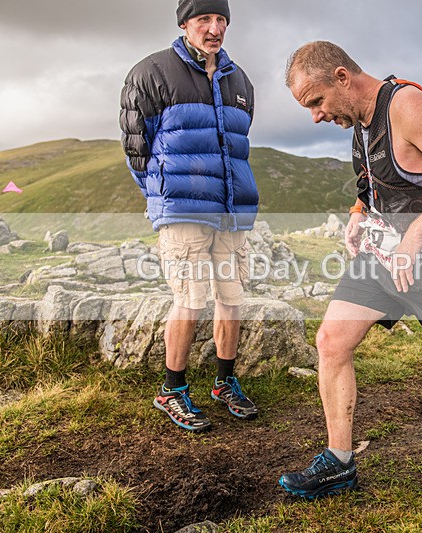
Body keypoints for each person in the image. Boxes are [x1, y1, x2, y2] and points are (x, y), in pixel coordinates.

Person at [279, 41, 422, 498]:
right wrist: (359, 211)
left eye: (316, 102)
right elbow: (384, 178)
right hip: (381, 256)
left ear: (342, 77)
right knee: (331, 341)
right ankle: (339, 461)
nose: (316, 116)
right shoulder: (358, 121)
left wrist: (416, 236)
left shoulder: (408, 106)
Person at [119, 0, 259, 432]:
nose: (214, 28)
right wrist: (163, 197)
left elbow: (237, 142)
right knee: (191, 298)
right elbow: (135, 147)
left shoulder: (241, 81)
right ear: (185, 24)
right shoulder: (151, 73)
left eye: (221, 20)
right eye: (205, 20)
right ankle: (172, 390)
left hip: (231, 210)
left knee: (232, 298)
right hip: (182, 209)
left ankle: (224, 381)